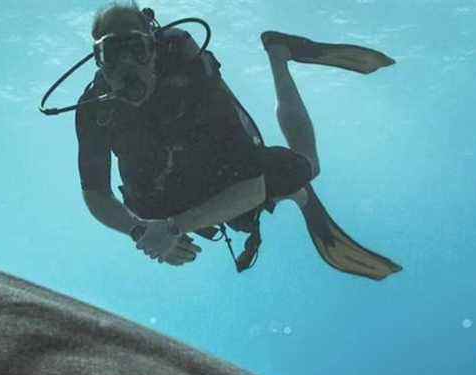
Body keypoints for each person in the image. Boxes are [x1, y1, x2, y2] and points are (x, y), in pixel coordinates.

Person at [75, 2, 402, 280]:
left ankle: (279, 55)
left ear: (154, 49)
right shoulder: (95, 110)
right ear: (98, 61)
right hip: (162, 197)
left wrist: (172, 230)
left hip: (224, 168)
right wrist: (141, 231)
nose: (126, 67)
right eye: (112, 54)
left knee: (303, 168)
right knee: (147, 207)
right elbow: (96, 194)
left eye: (136, 49)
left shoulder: (191, 74)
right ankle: (286, 197)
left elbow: (253, 184)